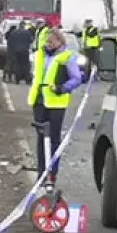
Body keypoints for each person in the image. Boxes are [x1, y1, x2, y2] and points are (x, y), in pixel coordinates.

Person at [27, 28, 84, 184]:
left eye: (52, 41)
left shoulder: (67, 57)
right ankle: (41, 173)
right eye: (47, 41)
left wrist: (61, 88)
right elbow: (35, 74)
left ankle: (52, 172)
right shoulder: (39, 55)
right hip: (39, 101)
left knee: (53, 138)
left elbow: (76, 78)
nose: (48, 44)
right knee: (40, 137)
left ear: (60, 41)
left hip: (56, 102)